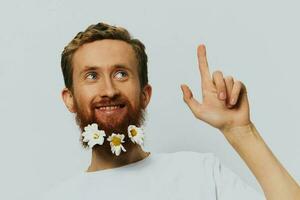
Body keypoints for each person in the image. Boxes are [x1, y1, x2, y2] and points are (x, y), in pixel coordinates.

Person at [42, 22, 300, 200]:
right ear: (70, 99)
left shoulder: (200, 174)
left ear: (145, 95)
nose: (109, 89)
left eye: (121, 73)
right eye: (91, 76)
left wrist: (241, 132)